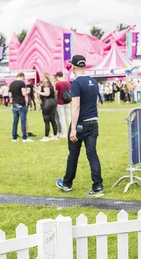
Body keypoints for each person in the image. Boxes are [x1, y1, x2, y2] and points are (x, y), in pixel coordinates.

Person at [56, 54, 104, 196]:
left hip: (81, 123)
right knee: (92, 154)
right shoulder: (93, 82)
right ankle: (98, 186)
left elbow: (75, 106)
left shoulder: (76, 83)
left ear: (74, 67)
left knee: (73, 155)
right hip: (93, 122)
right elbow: (95, 103)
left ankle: (67, 183)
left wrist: (73, 129)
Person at [9, 72, 33, 143]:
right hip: (21, 103)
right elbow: (23, 93)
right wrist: (28, 91)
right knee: (23, 121)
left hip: (14, 103)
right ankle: (24, 137)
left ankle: (14, 137)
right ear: (22, 76)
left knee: (15, 121)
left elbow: (10, 95)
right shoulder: (22, 83)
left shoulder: (11, 84)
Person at [38, 73, 58, 141]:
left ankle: (46, 136)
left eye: (41, 76)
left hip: (47, 102)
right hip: (53, 102)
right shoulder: (50, 83)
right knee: (53, 119)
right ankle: (55, 135)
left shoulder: (46, 84)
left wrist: (38, 92)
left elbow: (47, 93)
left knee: (46, 120)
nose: (41, 77)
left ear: (44, 77)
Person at [54, 71, 71, 138]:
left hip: (60, 102)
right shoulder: (68, 82)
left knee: (62, 118)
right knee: (68, 117)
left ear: (58, 76)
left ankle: (64, 133)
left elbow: (56, 93)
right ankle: (71, 131)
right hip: (67, 101)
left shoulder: (58, 84)